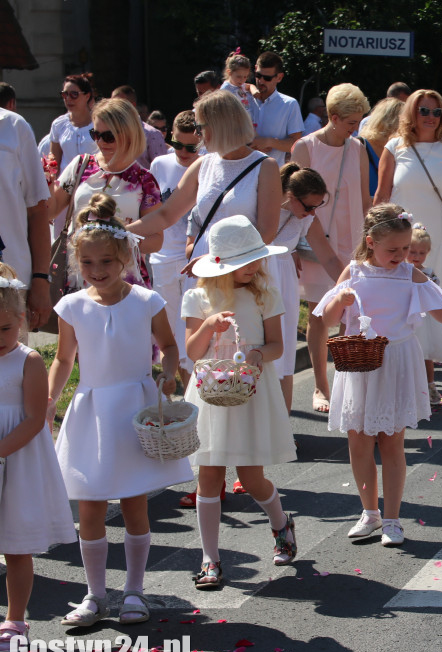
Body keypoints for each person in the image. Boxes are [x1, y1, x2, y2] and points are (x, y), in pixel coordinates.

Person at [313, 204, 442, 546]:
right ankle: (369, 512)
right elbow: (325, 319)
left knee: (392, 443)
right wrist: (339, 301)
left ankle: (392, 519)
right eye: (393, 250)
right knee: (358, 441)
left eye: (404, 249)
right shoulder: (354, 272)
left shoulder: (410, 274)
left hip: (396, 360)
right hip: (360, 362)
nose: (401, 256)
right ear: (370, 242)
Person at [48, 194, 190, 626]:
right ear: (78, 264)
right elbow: (63, 359)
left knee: (133, 503)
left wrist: (168, 373)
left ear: (125, 257)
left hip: (134, 409)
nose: (97, 271)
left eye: (106, 261)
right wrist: (50, 400)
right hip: (91, 411)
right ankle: (94, 595)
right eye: (88, 264)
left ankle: (134, 590)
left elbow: (168, 347)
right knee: (88, 506)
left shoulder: (146, 301)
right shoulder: (71, 307)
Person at [183, 216, 297, 589]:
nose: (252, 267)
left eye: (255, 259)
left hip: (249, 390)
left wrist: (260, 354)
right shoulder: (197, 297)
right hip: (212, 392)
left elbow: (279, 345)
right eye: (242, 262)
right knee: (210, 476)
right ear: (220, 265)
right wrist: (208, 326)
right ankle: (210, 559)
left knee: (250, 478)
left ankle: (280, 521)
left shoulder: (265, 294)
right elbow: (192, 350)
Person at [0, 264, 78, 652]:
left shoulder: (27, 360)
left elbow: (33, 418)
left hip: (16, 462)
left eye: (5, 329)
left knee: (15, 544)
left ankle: (15, 619)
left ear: (21, 320)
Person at [291, 83, 371, 414]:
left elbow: (366, 199)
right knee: (319, 313)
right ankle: (320, 388)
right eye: (352, 122)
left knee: (348, 312)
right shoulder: (304, 147)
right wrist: (294, 245)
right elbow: (292, 200)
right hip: (314, 238)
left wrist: (370, 243)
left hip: (351, 239)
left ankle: (345, 382)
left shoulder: (358, 149)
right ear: (334, 117)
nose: (357, 128)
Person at [133, 90, 282, 260]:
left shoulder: (265, 166)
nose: (197, 135)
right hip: (206, 263)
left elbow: (267, 232)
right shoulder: (202, 164)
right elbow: (165, 215)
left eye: (199, 127)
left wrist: (218, 259)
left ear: (219, 126)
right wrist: (118, 231)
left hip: (244, 267)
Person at [374, 89, 442, 288]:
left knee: (438, 304)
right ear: (411, 113)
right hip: (399, 239)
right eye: (424, 111)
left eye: (437, 112)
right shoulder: (394, 147)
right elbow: (382, 195)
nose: (431, 117)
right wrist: (373, 234)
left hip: (438, 237)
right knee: (398, 299)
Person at [49, 97, 163, 267]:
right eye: (95, 134)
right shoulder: (80, 166)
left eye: (109, 136)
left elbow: (156, 239)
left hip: (125, 276)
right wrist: (48, 183)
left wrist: (116, 245)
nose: (100, 142)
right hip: (79, 275)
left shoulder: (144, 180)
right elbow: (50, 211)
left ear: (129, 134)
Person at [268, 164, 344, 412]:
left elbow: (329, 258)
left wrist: (350, 284)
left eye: (317, 206)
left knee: (285, 350)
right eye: (309, 206)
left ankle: (282, 430)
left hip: (284, 280)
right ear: (290, 195)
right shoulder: (264, 207)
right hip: (258, 276)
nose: (312, 212)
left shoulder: (306, 218)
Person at [149, 111, 202, 381]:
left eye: (190, 147)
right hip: (164, 257)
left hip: (196, 258)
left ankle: (197, 395)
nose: (182, 151)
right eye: (176, 143)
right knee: (170, 333)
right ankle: (183, 395)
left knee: (194, 327)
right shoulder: (159, 164)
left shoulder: (207, 166)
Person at [0, 106, 53, 330]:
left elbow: (37, 210)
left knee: (12, 363)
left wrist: (40, 279)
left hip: (10, 282)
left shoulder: (14, 126)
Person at [407, 228, 442, 404]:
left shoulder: (429, 273)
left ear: (428, 253)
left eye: (421, 253)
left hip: (425, 320)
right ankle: (408, 390)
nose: (416, 256)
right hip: (406, 319)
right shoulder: (400, 271)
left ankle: (430, 386)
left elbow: (438, 296)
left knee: (425, 354)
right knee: (407, 355)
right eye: (412, 252)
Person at [251, 52, 304, 166]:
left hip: (272, 173)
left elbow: (297, 143)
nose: (261, 81)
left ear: (279, 77)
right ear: (255, 69)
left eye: (267, 78)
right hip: (242, 172)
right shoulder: (244, 99)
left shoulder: (289, 104)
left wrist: (269, 142)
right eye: (258, 75)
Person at [50, 73, 99, 174]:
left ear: (87, 96)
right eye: (65, 94)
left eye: (74, 94)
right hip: (66, 185)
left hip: (93, 183)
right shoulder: (58, 124)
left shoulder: (100, 123)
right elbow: (54, 162)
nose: (68, 99)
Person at [111, 85, 167, 169]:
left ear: (132, 105)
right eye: (112, 104)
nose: (114, 108)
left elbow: (161, 170)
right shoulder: (109, 133)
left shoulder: (152, 134)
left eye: (119, 104)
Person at [219, 50, 255, 121]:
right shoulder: (225, 89)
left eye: (245, 77)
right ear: (229, 72)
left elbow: (250, 86)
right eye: (239, 76)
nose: (242, 80)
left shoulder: (242, 85)